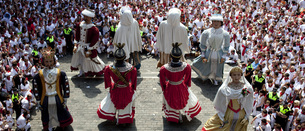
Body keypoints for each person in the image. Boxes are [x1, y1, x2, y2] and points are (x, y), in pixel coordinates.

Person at [160, 43, 201, 123]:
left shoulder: (163, 69)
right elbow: (188, 79)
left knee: (172, 101)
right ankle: (181, 115)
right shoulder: (186, 66)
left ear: (170, 56)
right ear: (180, 56)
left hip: (171, 86)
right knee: (182, 100)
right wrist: (186, 85)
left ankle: (175, 116)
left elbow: (162, 82)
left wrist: (164, 88)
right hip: (181, 85)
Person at [202, 66, 253, 131]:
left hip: (241, 114)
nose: (236, 77)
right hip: (229, 113)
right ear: (230, 76)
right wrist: (221, 116)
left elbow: (249, 102)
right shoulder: (224, 88)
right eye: (234, 75)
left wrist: (246, 117)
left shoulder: (247, 88)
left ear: (241, 75)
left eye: (238, 75)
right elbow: (219, 102)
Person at [32, 49, 73, 131]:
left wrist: (65, 98)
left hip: (57, 97)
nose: (49, 63)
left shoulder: (60, 73)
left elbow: (66, 86)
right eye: (47, 61)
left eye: (50, 61)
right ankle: (49, 126)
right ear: (43, 62)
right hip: (45, 98)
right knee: (47, 114)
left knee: (60, 112)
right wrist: (38, 100)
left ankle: (61, 125)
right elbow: (35, 88)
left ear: (54, 61)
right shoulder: (39, 75)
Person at [97, 43, 137, 124]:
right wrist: (132, 88)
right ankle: (124, 119)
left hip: (115, 88)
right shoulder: (132, 69)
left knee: (111, 102)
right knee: (126, 104)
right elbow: (133, 83)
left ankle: (110, 115)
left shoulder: (109, 68)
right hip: (126, 89)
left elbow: (107, 79)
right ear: (125, 57)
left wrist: (109, 85)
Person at [191, 14, 230, 85]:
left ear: (221, 23)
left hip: (219, 52)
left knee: (218, 66)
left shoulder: (225, 33)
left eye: (217, 21)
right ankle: (206, 77)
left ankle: (217, 79)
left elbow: (226, 45)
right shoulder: (206, 32)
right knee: (206, 65)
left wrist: (224, 55)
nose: (216, 23)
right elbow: (202, 44)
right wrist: (202, 53)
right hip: (209, 52)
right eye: (214, 21)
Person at [71, 9, 105, 77]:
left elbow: (94, 41)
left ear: (90, 17)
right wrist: (75, 45)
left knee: (90, 60)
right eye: (84, 16)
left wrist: (89, 50)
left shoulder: (94, 29)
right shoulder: (79, 25)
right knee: (80, 58)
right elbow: (76, 36)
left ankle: (92, 71)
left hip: (88, 47)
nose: (84, 18)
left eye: (86, 16)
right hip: (80, 46)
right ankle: (82, 70)